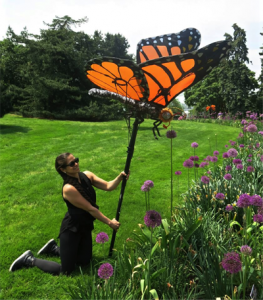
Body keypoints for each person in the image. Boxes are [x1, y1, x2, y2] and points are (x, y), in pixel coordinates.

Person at [9, 152, 129, 275]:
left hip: (85, 226)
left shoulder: (87, 175)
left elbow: (109, 186)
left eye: (76, 160)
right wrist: (110, 223)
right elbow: (91, 209)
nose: (76, 164)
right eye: (72, 163)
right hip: (72, 229)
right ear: (63, 169)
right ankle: (29, 259)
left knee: (84, 262)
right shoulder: (68, 188)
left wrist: (119, 178)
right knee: (66, 270)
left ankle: (53, 248)